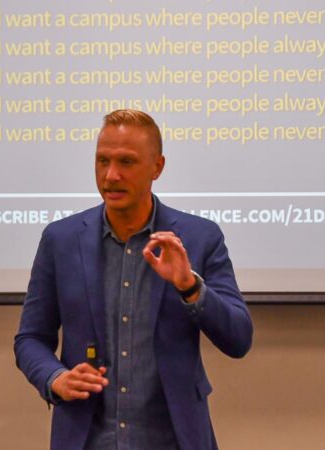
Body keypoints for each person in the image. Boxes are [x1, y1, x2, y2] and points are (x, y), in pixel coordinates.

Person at [14, 109, 253, 450]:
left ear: (157, 167)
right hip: (87, 440)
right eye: (102, 161)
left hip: (174, 440)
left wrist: (190, 287)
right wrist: (55, 378)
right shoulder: (60, 240)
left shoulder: (199, 238)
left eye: (126, 162)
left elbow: (238, 339)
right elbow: (30, 338)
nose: (111, 175)